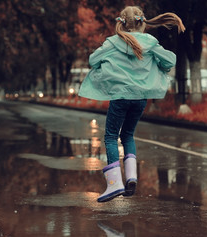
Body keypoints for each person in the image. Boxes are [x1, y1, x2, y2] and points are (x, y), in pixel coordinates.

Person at [78, 6, 185, 202]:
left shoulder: (113, 42)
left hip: (120, 97)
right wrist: (156, 64)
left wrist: (110, 65)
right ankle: (132, 177)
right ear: (142, 22)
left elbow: (93, 60)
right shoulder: (151, 43)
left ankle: (114, 184)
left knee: (111, 137)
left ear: (123, 23)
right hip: (140, 99)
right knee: (127, 135)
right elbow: (169, 61)